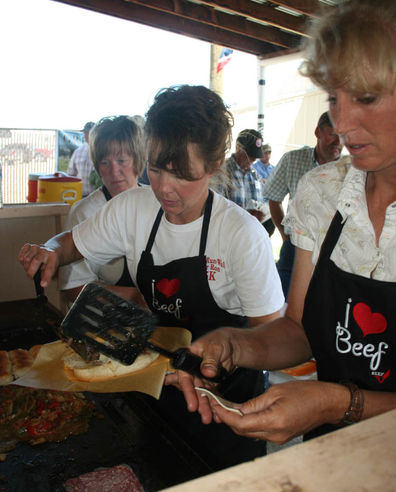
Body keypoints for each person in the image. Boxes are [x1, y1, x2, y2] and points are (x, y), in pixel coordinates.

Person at [170, 0, 396, 446]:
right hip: (332, 455)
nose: (343, 124)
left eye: (365, 97)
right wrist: (236, 344)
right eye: (332, 98)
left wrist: (337, 403)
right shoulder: (323, 191)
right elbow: (300, 331)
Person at [18, 85, 283, 470]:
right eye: (156, 169)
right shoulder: (134, 209)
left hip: (226, 399)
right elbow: (70, 244)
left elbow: (272, 334)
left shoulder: (241, 235)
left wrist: (223, 354)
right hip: (155, 383)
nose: (163, 187)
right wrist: (50, 251)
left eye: (182, 175)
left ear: (213, 165)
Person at [59, 115, 146, 303]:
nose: (114, 172)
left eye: (122, 160)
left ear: (138, 160)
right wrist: (136, 297)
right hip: (104, 319)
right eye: (105, 163)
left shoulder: (157, 203)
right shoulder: (84, 212)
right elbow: (73, 288)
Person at [264, 112, 341, 298]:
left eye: (344, 136)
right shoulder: (293, 160)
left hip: (334, 252)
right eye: (333, 134)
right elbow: (274, 199)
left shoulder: (352, 170)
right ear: (318, 132)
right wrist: (284, 235)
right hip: (295, 247)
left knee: (324, 307)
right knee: (283, 300)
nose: (338, 142)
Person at [220, 129, 275, 236]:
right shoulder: (222, 172)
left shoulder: (254, 174)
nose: (254, 159)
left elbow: (261, 201)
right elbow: (215, 210)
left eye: (255, 155)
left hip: (250, 236)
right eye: (250, 155)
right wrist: (247, 215)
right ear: (238, 148)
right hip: (229, 237)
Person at [67, 121, 95, 197]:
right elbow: (71, 173)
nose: (87, 135)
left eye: (90, 133)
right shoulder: (78, 151)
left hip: (98, 196)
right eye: (86, 133)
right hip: (80, 195)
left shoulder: (104, 151)